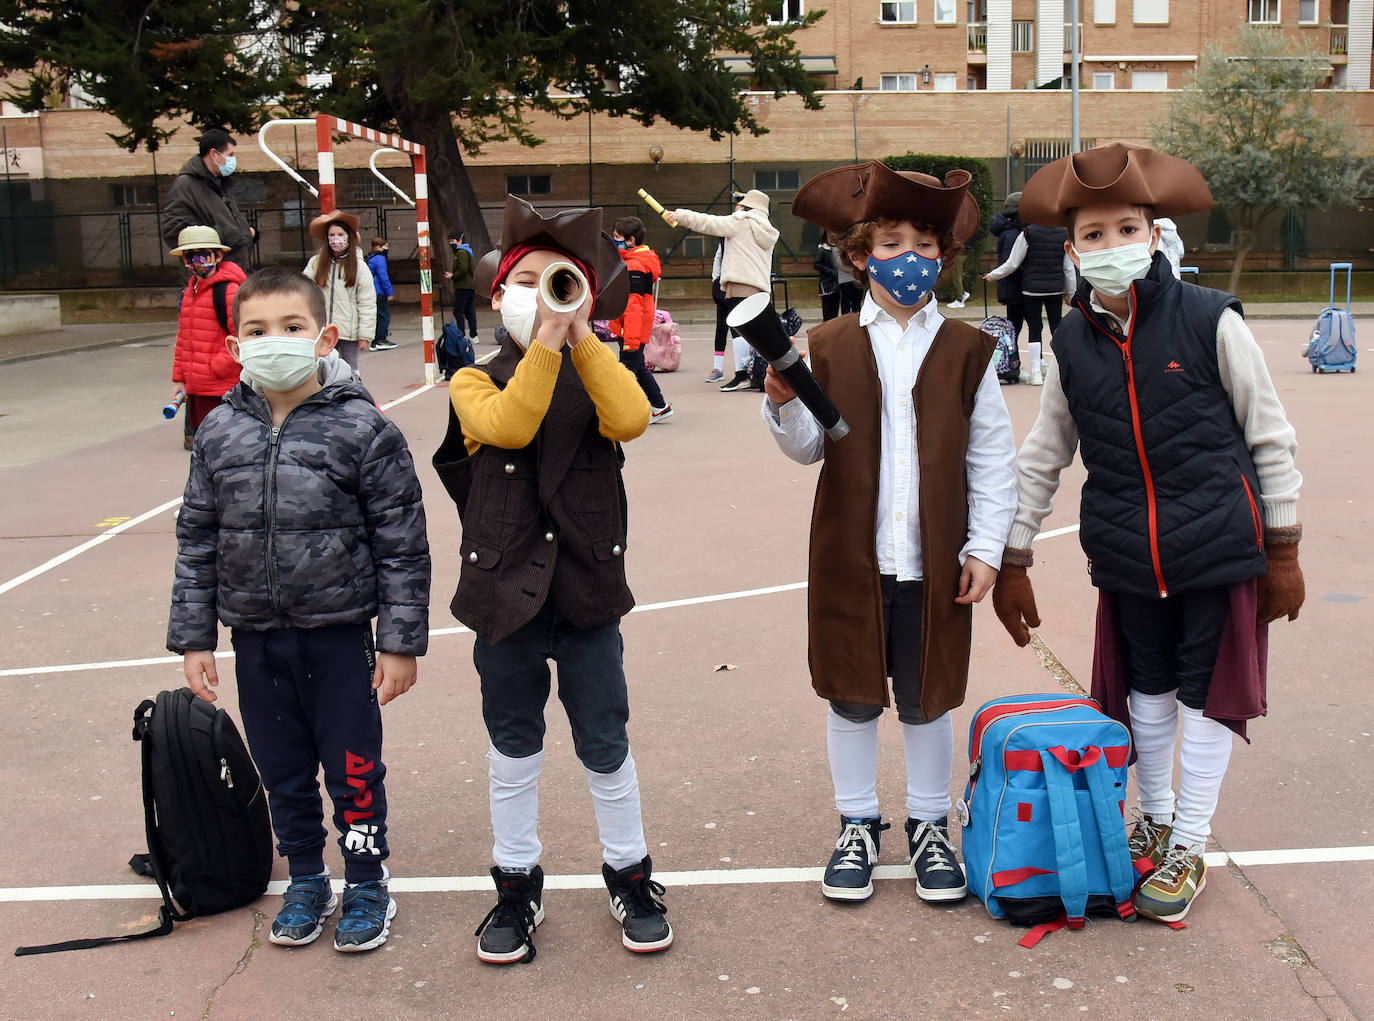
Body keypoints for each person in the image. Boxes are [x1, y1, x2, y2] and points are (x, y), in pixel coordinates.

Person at [991, 144, 1304, 924]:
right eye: (1091, 235)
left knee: (1205, 696)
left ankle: (1189, 841)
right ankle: (1157, 816)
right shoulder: (1070, 342)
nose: (1108, 246)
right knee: (1148, 691)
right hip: (1127, 551)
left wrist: (1286, 546)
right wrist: (1015, 553)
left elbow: (1270, 435)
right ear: (1071, 246)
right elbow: (1044, 453)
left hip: (1218, 546)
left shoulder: (1209, 318)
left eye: (1125, 227)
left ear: (1154, 232)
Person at [762, 160, 1017, 907]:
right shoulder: (830, 343)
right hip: (852, 551)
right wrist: (781, 405)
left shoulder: (970, 351)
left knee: (927, 694)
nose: (911, 257)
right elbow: (808, 446)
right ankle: (857, 823)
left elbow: (991, 457)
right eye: (893, 241)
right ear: (862, 252)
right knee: (851, 693)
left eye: (926, 244)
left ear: (944, 255)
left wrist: (984, 548)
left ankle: (931, 824)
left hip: (934, 558)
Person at [167, 266, 430, 952]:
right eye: (257, 331)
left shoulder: (364, 429)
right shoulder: (219, 433)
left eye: (291, 328)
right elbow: (197, 538)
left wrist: (399, 641)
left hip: (341, 637)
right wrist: (195, 636)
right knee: (281, 766)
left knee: (352, 767)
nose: (273, 341)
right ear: (234, 345)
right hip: (256, 637)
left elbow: (402, 543)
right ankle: (308, 876)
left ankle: (367, 878)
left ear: (325, 338)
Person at [439, 195, 672, 965]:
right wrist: (545, 341)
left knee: (605, 740)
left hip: (586, 587)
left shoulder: (596, 370)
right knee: (513, 745)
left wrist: (582, 337)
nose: (544, 294)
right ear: (500, 292)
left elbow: (632, 417)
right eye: (528, 280)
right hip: (504, 589)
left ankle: (630, 872)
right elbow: (510, 423)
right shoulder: (473, 380)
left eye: (560, 281)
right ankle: (515, 882)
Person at [670, 189, 778, 392]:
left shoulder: (742, 221)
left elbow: (709, 222)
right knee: (755, 332)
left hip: (739, 283)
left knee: (739, 331)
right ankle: (754, 374)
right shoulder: (766, 228)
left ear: (748, 206)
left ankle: (741, 375)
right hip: (759, 287)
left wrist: (681, 215)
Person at [168, 225, 247, 450]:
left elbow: (242, 336)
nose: (196, 261)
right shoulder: (190, 291)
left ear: (218, 255)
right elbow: (184, 338)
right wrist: (180, 379)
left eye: (202, 254)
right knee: (204, 449)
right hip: (197, 389)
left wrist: (215, 367)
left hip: (222, 388)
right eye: (189, 256)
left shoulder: (229, 290)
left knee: (224, 447)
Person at [984, 215, 1069, 385]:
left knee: (1035, 328)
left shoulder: (1028, 233)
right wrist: (1072, 292)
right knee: (1056, 327)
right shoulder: (1064, 233)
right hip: (1055, 288)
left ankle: (1036, 372)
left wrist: (993, 275)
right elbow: (1068, 267)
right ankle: (1060, 369)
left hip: (1031, 289)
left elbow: (1013, 263)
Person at [161, 128, 255, 271]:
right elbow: (172, 230)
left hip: (234, 270)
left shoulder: (220, 183)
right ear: (213, 154)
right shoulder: (187, 185)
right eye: (230, 154)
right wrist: (219, 237)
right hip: (209, 274)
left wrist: (246, 233)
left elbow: (229, 224)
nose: (233, 159)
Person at [609, 215, 672, 422]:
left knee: (624, 375)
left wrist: (630, 342)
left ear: (631, 240)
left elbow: (633, 308)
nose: (614, 239)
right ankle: (660, 406)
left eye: (617, 237)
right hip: (632, 331)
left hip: (632, 332)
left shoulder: (635, 266)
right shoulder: (638, 260)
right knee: (639, 369)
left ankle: (617, 415)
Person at [303, 210, 376, 371]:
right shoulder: (316, 263)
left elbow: (367, 301)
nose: (336, 239)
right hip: (323, 329)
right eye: (332, 235)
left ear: (349, 237)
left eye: (340, 234)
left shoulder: (359, 266)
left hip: (349, 331)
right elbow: (304, 289)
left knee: (351, 371)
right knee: (323, 370)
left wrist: (365, 334)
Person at [986, 192, 1025, 381]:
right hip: (1016, 286)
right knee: (1014, 329)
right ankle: (1013, 364)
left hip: (1011, 285)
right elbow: (1013, 264)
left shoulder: (1007, 230)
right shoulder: (1014, 233)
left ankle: (1013, 364)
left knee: (1014, 326)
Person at [444, 230, 479, 342]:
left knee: (458, 311)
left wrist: (453, 276)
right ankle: (473, 335)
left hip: (463, 286)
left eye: (453, 241)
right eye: (450, 241)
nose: (451, 244)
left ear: (460, 241)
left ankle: (461, 334)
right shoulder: (467, 251)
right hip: (469, 286)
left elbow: (463, 269)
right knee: (469, 311)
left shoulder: (461, 253)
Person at [365, 236, 397, 351]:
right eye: (385, 246)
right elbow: (383, 277)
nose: (386, 248)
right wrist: (389, 292)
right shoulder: (380, 259)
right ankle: (381, 340)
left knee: (377, 316)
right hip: (379, 291)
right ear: (378, 247)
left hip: (372, 290)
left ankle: (375, 340)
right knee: (384, 316)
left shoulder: (371, 258)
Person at [705, 241, 730, 382]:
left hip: (740, 285)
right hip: (723, 286)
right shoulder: (724, 237)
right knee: (721, 327)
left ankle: (744, 369)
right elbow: (718, 258)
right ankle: (718, 368)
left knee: (741, 330)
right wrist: (715, 279)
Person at [834, 245, 863, 316]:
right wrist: (854, 270)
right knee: (845, 304)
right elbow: (838, 262)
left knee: (857, 304)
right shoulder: (837, 245)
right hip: (845, 280)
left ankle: (857, 324)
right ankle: (846, 324)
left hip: (858, 279)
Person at [816, 237, 841, 321]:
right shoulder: (822, 249)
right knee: (827, 312)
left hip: (837, 284)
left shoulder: (839, 249)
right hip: (826, 283)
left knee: (835, 311)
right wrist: (831, 272)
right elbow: (817, 264)